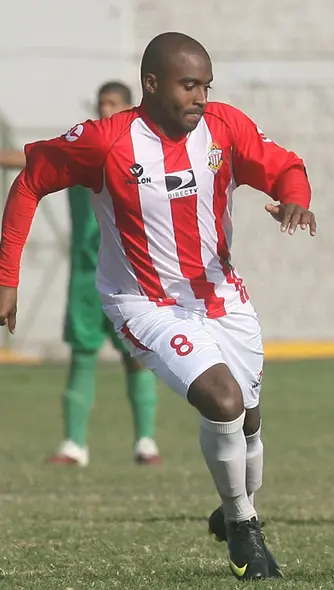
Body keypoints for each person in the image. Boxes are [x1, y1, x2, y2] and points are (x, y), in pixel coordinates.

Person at [0, 32, 317, 581]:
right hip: (144, 303)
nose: (201, 98)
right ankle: (244, 526)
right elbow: (30, 181)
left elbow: (286, 165)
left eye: (207, 86)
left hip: (221, 297)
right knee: (223, 400)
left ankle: (234, 506)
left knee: (249, 417)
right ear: (151, 84)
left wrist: (296, 198)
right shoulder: (106, 141)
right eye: (189, 85)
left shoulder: (224, 127)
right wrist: (7, 277)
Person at [46, 81, 162, 468]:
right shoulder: (82, 148)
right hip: (86, 276)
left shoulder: (142, 153)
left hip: (130, 276)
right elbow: (35, 158)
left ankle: (145, 443)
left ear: (130, 107)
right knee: (82, 354)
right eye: (100, 103)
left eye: (112, 103)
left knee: (136, 356)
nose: (104, 110)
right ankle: (73, 445)